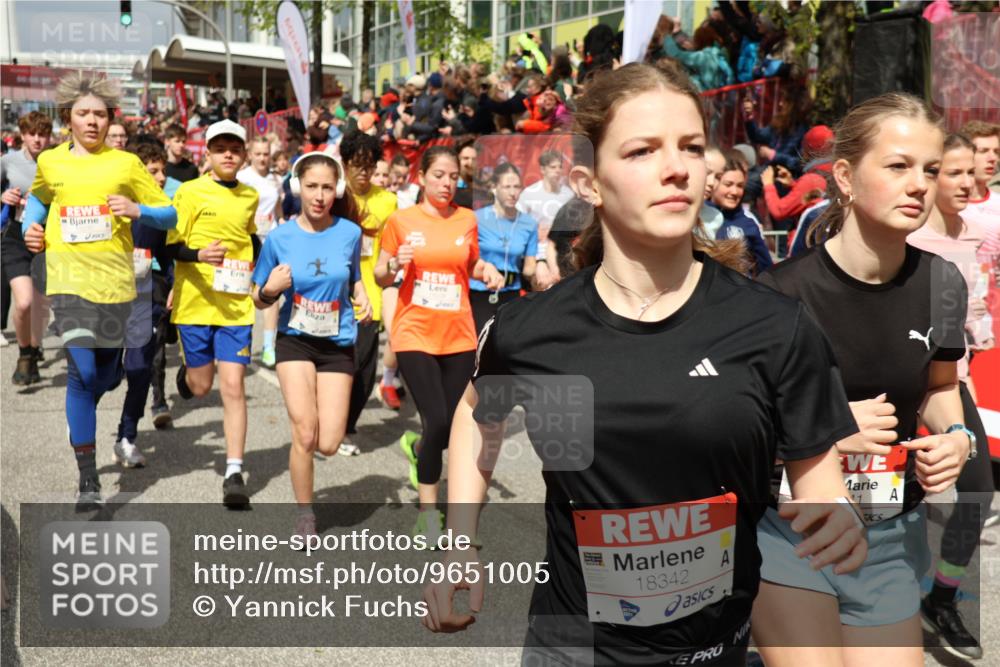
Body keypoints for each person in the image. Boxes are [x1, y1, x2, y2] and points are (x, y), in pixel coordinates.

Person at [421, 63, 867, 665]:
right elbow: (478, 415)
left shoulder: (775, 327)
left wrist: (835, 519)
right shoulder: (532, 330)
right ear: (589, 183)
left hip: (715, 651)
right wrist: (460, 543)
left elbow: (819, 488)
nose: (678, 166)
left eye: (690, 146)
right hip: (572, 647)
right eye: (642, 151)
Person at [752, 93, 973, 667]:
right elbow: (732, 430)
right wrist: (824, 431)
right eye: (898, 166)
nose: (920, 184)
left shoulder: (943, 283)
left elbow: (941, 389)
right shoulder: (777, 296)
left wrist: (955, 439)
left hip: (890, 535)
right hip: (790, 529)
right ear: (845, 177)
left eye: (929, 169)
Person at [21, 72, 176, 510]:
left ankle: (113, 375)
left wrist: (137, 208)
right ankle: (88, 479)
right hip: (68, 284)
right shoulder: (52, 161)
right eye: (83, 114)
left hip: (116, 286)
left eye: (100, 115)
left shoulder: (126, 164)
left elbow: (170, 214)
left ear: (111, 119)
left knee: (104, 374)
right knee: (81, 375)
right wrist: (30, 227)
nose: (92, 122)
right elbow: (38, 199)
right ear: (68, 118)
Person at [374, 146, 503, 541]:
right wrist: (395, 264)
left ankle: (418, 450)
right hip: (414, 331)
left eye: (453, 178)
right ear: (421, 177)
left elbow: (470, 265)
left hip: (459, 333)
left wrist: (488, 269)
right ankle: (429, 515)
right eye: (439, 176)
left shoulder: (467, 219)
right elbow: (380, 275)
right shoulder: (401, 220)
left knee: (459, 429)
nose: (447, 184)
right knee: (439, 420)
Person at [906, 132, 993, 660]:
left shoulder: (975, 235)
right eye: (953, 172)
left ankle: (942, 596)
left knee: (977, 494)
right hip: (896, 384)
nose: (968, 182)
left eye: (972, 171)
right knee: (896, 501)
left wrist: (969, 376)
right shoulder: (908, 238)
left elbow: (969, 326)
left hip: (951, 385)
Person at [252, 152, 371, 538]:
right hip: (296, 341)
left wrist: (362, 295)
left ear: (336, 190)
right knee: (305, 432)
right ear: (297, 187)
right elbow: (258, 295)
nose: (319, 195)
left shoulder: (350, 233)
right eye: (311, 186)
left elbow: (352, 276)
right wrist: (269, 290)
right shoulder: (280, 237)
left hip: (337, 343)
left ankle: (315, 459)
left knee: (330, 442)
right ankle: (305, 514)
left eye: (326, 187)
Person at [166, 119, 259, 509]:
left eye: (235, 149)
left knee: (234, 386)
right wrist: (199, 255)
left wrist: (261, 273)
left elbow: (251, 237)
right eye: (220, 148)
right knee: (203, 387)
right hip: (196, 302)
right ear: (207, 152)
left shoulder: (250, 195)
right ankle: (187, 379)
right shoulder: (188, 192)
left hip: (236, 305)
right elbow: (170, 245)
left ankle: (234, 471)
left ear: (243, 155)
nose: (228, 154)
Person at [113, 142, 175, 467]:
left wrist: (173, 284)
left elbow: (168, 255)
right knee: (105, 374)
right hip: (106, 297)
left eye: (164, 170)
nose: (162, 178)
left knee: (139, 368)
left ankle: (126, 436)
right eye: (153, 171)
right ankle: (82, 412)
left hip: (147, 295)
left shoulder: (161, 213)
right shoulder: (108, 204)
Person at [340, 131, 397, 455]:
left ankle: (346, 426)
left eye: (369, 166)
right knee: (336, 364)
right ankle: (327, 421)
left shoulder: (387, 201)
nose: (364, 172)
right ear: (346, 165)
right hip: (333, 292)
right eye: (357, 165)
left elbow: (392, 247)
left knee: (364, 368)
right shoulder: (333, 195)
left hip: (371, 295)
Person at [1, 111, 52, 385]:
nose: (37, 139)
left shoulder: (56, 163)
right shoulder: (8, 161)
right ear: (23, 134)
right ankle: (24, 354)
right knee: (24, 302)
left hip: (47, 238)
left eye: (43, 134)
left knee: (42, 304)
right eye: (32, 133)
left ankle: (34, 348)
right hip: (15, 237)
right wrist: (3, 195)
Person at [470, 162, 538, 332]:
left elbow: (530, 267)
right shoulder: (476, 219)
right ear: (494, 188)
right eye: (507, 186)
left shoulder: (529, 223)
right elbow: (466, 256)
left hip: (511, 292)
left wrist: (544, 268)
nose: (513, 192)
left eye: (516, 187)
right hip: (480, 292)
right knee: (482, 344)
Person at [237, 136, 282, 368]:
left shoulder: (276, 179)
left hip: (271, 241)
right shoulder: (242, 178)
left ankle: (268, 347)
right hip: (248, 242)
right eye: (258, 154)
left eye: (266, 154)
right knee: (245, 294)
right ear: (250, 155)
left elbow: (278, 209)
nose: (263, 158)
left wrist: (284, 228)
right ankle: (242, 343)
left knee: (270, 293)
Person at [517, 150, 574, 289]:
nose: (558, 171)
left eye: (560, 167)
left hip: (562, 255)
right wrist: (536, 261)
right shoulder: (528, 194)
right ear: (542, 169)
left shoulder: (569, 194)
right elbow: (518, 229)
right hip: (535, 254)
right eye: (553, 167)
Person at [710, 151, 773, 274]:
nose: (734, 191)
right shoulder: (698, 217)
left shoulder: (748, 223)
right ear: (714, 182)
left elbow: (767, 269)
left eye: (740, 186)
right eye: (728, 184)